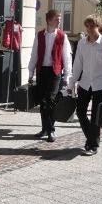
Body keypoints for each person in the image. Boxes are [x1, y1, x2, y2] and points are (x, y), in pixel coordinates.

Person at [69, 15, 102, 156]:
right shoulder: (82, 43)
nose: (89, 29)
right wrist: (71, 83)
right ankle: (92, 139)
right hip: (84, 83)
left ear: (98, 27)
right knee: (80, 112)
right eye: (87, 26)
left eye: (92, 26)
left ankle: (93, 145)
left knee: (96, 116)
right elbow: (77, 64)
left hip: (100, 84)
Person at [28, 9, 73, 142]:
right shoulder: (40, 35)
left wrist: (67, 77)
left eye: (59, 19)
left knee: (50, 100)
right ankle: (44, 129)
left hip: (55, 72)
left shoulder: (62, 36)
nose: (59, 21)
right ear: (49, 20)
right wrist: (31, 72)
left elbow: (67, 57)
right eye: (56, 19)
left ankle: (51, 130)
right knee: (42, 101)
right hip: (42, 71)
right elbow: (34, 54)